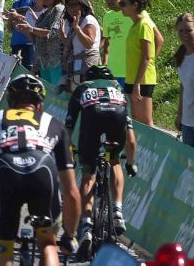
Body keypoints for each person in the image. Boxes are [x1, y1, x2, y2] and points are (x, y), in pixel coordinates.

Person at [0, 74, 79, 266]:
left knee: (2, 247)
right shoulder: (55, 124)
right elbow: (71, 191)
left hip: (6, 170)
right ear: (40, 104)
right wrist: (69, 235)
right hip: (43, 169)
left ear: (10, 102)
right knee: (48, 243)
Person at [62, 65, 136, 253]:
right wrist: (130, 163)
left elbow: (68, 129)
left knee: (89, 175)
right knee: (114, 161)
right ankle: (117, 211)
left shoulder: (83, 88)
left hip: (92, 121)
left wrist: (69, 155)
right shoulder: (118, 89)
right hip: (116, 119)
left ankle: (86, 226)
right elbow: (131, 141)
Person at [119, 0, 158, 126]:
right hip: (131, 78)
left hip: (142, 81)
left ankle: (152, 143)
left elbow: (146, 57)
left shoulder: (144, 25)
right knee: (134, 120)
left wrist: (137, 85)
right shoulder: (134, 26)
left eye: (123, 4)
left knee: (145, 122)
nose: (120, 7)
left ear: (134, 5)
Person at [15, 0, 66, 86]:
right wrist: (25, 28)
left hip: (55, 60)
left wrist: (31, 29)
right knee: (48, 93)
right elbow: (36, 39)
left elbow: (53, 32)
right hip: (43, 62)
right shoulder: (44, 14)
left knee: (57, 92)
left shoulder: (58, 9)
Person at [172, 13, 194, 147]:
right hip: (187, 119)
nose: (184, 34)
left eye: (188, 30)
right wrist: (180, 114)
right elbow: (184, 85)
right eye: (181, 31)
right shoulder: (181, 54)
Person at [61, 0, 101, 88]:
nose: (71, 8)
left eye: (74, 4)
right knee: (76, 92)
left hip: (88, 64)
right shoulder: (75, 22)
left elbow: (89, 44)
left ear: (82, 5)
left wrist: (77, 29)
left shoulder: (88, 20)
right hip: (77, 64)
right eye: (68, 5)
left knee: (85, 92)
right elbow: (71, 46)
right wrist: (62, 35)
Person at [98, 0, 130, 88]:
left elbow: (157, 38)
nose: (109, 1)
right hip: (113, 71)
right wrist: (104, 64)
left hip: (130, 71)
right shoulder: (107, 16)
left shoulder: (132, 13)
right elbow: (107, 42)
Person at [8, 0, 37, 71]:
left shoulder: (35, 1)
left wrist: (18, 16)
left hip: (29, 44)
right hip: (15, 44)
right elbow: (10, 29)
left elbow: (37, 22)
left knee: (28, 74)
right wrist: (10, 19)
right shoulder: (16, 3)